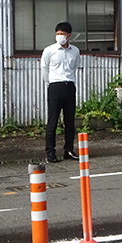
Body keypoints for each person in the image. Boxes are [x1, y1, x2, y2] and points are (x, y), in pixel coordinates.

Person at [41, 22, 80, 163]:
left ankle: (68, 150)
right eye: (57, 34)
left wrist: (70, 82)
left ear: (69, 35)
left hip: (69, 86)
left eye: (62, 34)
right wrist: (51, 83)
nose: (59, 36)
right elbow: (44, 69)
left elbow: (75, 67)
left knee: (70, 121)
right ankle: (50, 152)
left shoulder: (75, 51)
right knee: (53, 121)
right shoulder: (49, 51)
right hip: (55, 87)